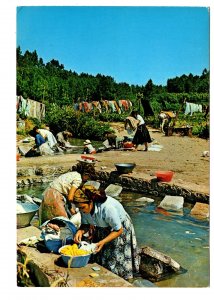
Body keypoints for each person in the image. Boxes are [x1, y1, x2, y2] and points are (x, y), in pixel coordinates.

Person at [73, 185, 140, 280]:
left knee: (116, 257)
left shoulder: (107, 208)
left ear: (91, 202)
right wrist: (80, 231)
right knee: (101, 255)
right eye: (79, 208)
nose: (81, 210)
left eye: (82, 207)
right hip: (102, 226)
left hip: (119, 228)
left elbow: (118, 230)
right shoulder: (84, 209)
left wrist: (102, 242)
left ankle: (121, 279)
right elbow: (85, 225)